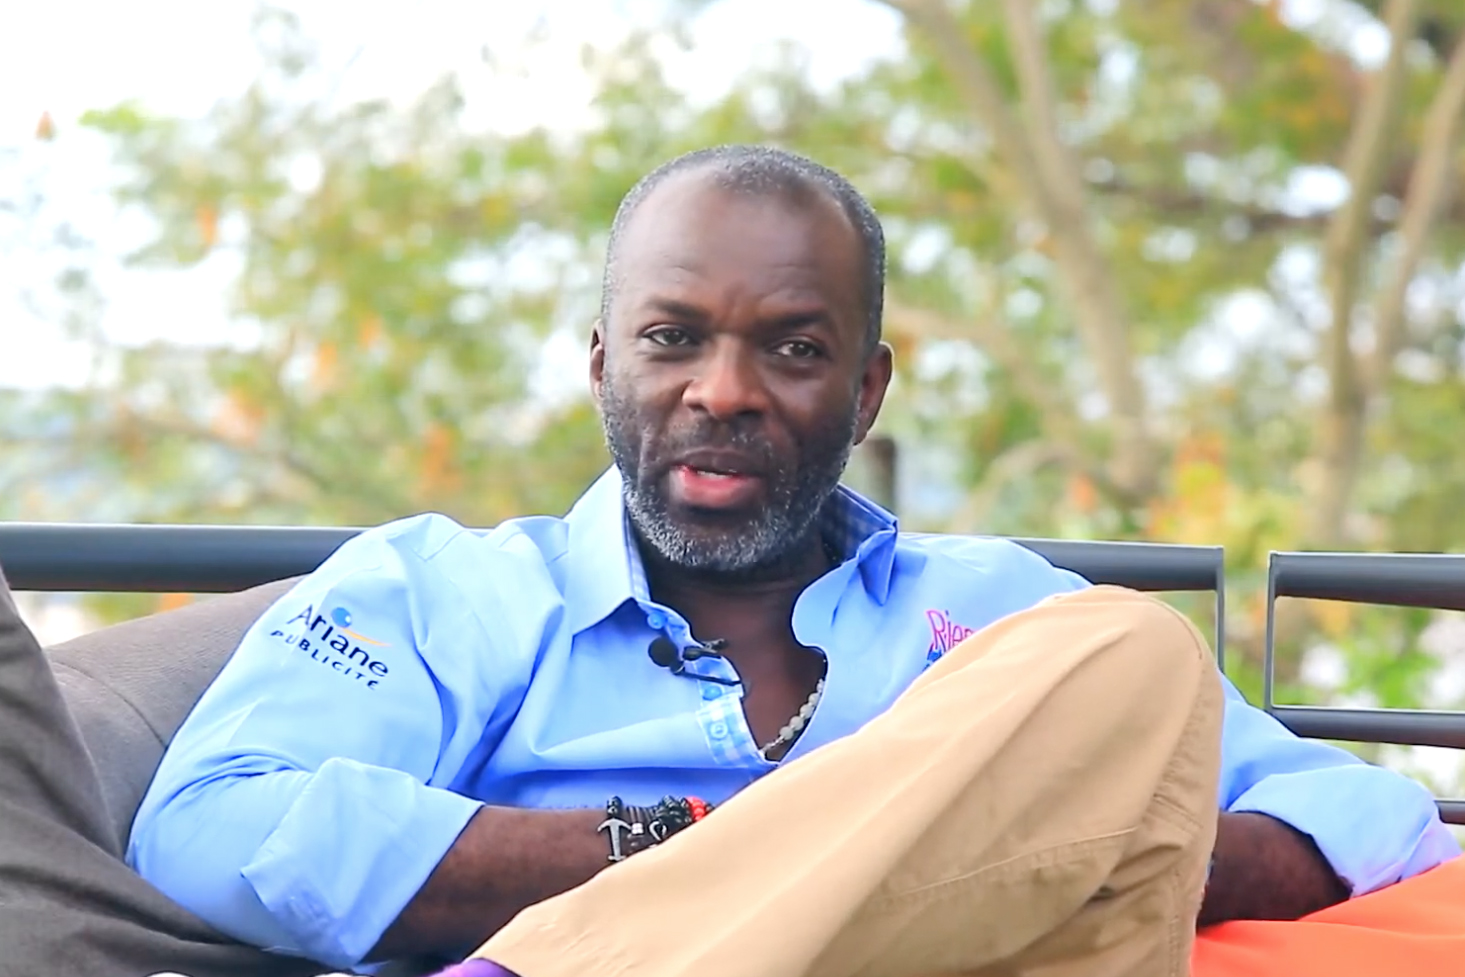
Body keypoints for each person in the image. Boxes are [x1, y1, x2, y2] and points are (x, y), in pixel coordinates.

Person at [128, 145, 1458, 977]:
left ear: (866, 390)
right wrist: (669, 842)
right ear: (601, 362)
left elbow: (1356, 815)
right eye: (671, 338)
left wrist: (1006, 856)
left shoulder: (1001, 613)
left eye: (794, 348)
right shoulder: (442, 590)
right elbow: (210, 826)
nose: (724, 390)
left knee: (1129, 645)